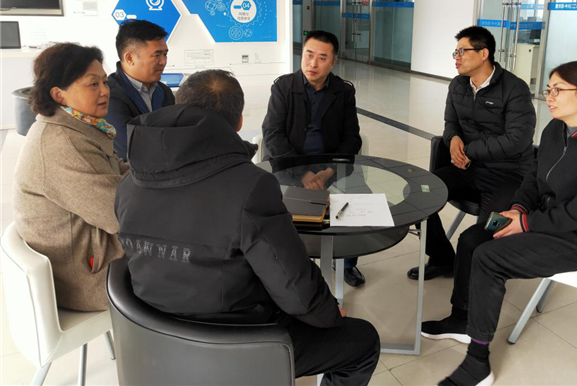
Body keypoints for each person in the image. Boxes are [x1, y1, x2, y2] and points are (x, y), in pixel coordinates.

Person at [115, 69, 380, 386]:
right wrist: (329, 314)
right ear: (239, 122)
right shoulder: (251, 186)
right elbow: (293, 286)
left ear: (176, 108)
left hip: (154, 337)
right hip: (234, 341)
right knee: (362, 342)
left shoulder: (128, 183)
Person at [422, 61, 577, 386]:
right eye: (548, 89)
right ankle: (462, 319)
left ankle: (477, 363)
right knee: (472, 239)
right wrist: (518, 209)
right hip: (545, 218)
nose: (549, 96)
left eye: (558, 90)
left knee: (489, 258)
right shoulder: (556, 129)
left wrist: (526, 223)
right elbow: (534, 178)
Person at [408, 26, 536, 281]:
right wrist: (453, 139)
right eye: (455, 52)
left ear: (484, 53)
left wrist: (468, 150)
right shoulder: (458, 85)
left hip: (508, 174)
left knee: (483, 233)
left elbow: (517, 140)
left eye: (462, 51)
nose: (456, 57)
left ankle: (478, 277)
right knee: (418, 194)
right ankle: (443, 259)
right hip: (468, 168)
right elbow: (451, 122)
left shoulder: (515, 89)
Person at [13, 43, 129, 311]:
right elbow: (120, 216)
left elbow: (116, 169)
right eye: (93, 84)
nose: (105, 91)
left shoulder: (75, 125)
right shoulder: (64, 143)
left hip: (88, 251)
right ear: (59, 94)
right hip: (87, 278)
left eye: (104, 82)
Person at [262, 30, 366, 287]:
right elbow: (272, 135)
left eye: (322, 58)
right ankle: (291, 263)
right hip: (289, 165)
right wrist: (303, 173)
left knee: (359, 204)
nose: (313, 64)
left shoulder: (343, 91)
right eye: (309, 55)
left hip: (332, 167)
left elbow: (352, 139)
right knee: (276, 211)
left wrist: (328, 171)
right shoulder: (284, 87)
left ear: (333, 62)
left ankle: (347, 261)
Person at [106, 19, 174, 161]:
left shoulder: (164, 92)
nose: (163, 62)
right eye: (157, 55)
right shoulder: (109, 96)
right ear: (129, 58)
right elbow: (130, 148)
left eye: (165, 54)